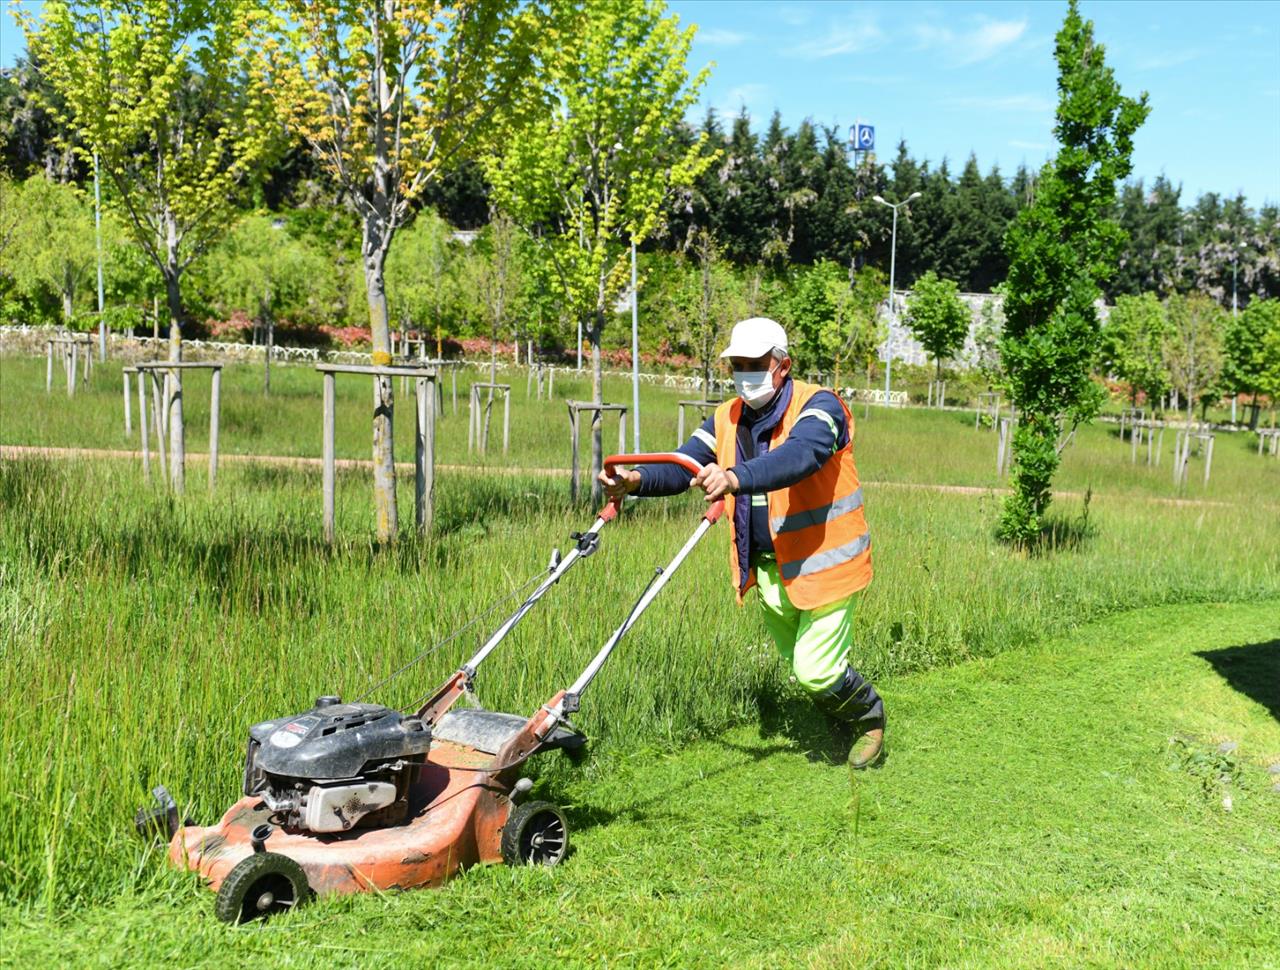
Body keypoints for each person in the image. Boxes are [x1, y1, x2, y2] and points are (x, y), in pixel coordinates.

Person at [599, 317, 885, 768]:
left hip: (829, 566)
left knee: (816, 670)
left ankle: (870, 718)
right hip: (771, 570)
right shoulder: (726, 416)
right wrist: (634, 481)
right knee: (804, 669)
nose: (742, 373)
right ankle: (838, 716)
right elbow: (683, 466)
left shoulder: (821, 407)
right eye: (736, 364)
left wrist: (734, 477)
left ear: (782, 365)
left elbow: (801, 455)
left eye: (753, 363)